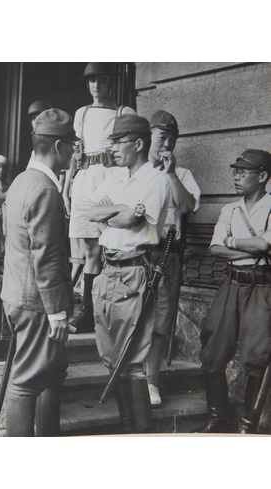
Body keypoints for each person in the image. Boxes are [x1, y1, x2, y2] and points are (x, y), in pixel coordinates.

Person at [88, 114, 170, 433]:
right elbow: (93, 212)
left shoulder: (156, 180)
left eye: (118, 142)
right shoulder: (116, 177)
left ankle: (139, 432)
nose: (114, 148)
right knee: (109, 355)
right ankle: (126, 425)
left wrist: (117, 215)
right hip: (108, 270)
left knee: (132, 358)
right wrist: (119, 210)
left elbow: (131, 222)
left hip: (135, 272)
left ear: (138, 144)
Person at [1, 108, 75, 437]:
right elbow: (45, 256)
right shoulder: (45, 188)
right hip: (37, 302)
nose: (74, 151)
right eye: (72, 145)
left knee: (51, 373)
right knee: (28, 381)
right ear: (58, 146)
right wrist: (57, 312)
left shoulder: (21, 181)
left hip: (21, 294)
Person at [196, 149, 271, 434]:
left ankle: (248, 426)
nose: (236, 176)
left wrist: (232, 241)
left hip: (262, 286)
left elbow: (264, 247)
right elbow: (215, 248)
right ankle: (218, 419)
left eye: (243, 172)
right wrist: (245, 243)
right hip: (232, 284)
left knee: (257, 354)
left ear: (262, 176)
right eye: (235, 171)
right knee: (214, 348)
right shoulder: (229, 209)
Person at [64, 62, 136, 333]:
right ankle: (89, 313)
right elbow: (76, 152)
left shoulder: (122, 112)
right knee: (90, 249)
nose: (96, 87)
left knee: (114, 244)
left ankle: (113, 309)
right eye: (92, 82)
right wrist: (66, 187)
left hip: (110, 178)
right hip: (84, 179)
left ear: (109, 83)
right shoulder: (81, 114)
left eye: (102, 81)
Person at [144, 110, 201, 407]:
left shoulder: (182, 174)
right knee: (132, 315)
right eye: (161, 137)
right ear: (149, 137)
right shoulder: (136, 169)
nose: (166, 144)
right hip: (137, 253)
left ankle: (151, 380)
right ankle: (129, 377)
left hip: (167, 254)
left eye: (171, 138)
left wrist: (170, 174)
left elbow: (188, 205)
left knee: (162, 321)